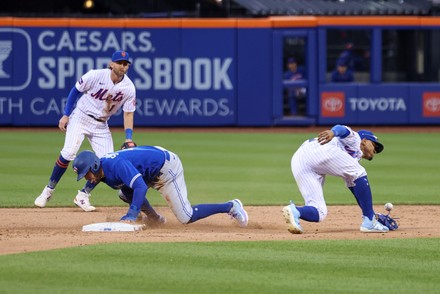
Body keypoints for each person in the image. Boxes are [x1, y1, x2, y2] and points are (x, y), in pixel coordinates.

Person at [34, 50, 137, 212]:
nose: (123, 66)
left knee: (108, 163)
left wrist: (128, 137)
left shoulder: (129, 87)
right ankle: (48, 191)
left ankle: (83, 195)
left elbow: (129, 112)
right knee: (68, 153)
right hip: (80, 117)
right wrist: (66, 114)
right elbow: (75, 91)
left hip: (102, 125)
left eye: (125, 64)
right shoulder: (95, 75)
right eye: (120, 63)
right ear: (112, 64)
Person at [72, 146, 249, 227]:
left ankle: (231, 206)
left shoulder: (115, 166)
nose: (87, 178)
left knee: (186, 217)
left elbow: (140, 187)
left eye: (86, 173)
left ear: (94, 167)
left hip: (166, 167)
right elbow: (96, 180)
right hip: (150, 168)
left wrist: (132, 214)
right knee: (125, 192)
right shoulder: (100, 170)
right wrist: (85, 192)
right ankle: (155, 219)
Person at [282, 125, 389, 234]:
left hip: (300, 159)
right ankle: (369, 221)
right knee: (359, 172)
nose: (375, 150)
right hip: (319, 150)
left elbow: (354, 187)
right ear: (365, 141)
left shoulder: (352, 160)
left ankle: (295, 211)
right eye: (374, 145)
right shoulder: (356, 139)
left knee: (320, 212)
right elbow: (342, 129)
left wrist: (371, 212)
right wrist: (333, 132)